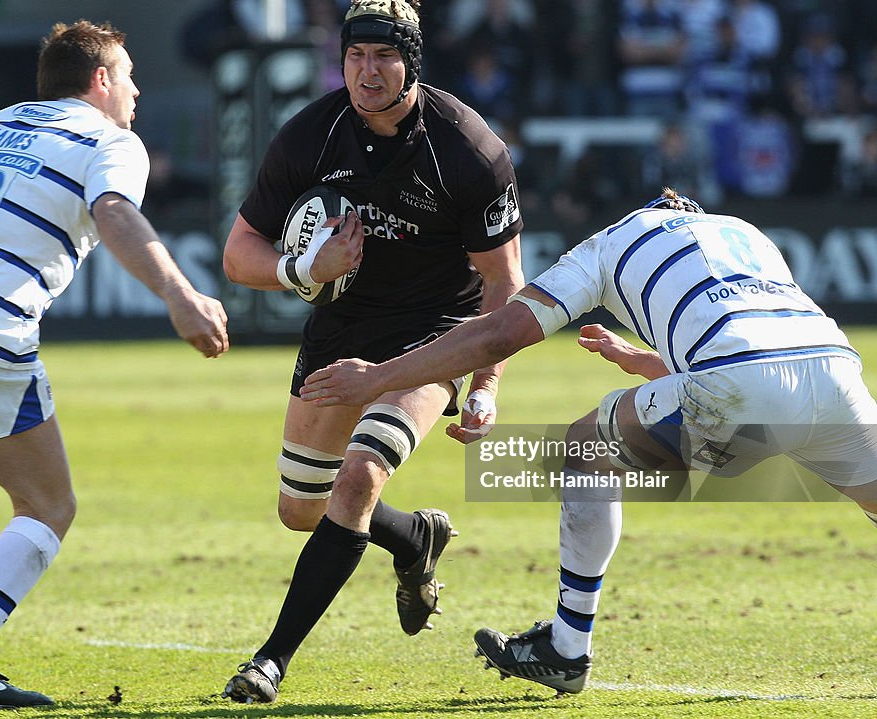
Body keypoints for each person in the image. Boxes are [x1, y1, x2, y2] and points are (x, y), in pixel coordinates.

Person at [302, 186, 877, 696]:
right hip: (836, 371)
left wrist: (377, 378)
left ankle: (567, 648)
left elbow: (503, 331)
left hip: (738, 379)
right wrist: (647, 363)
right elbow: (761, 350)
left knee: (585, 447)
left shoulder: (606, 245)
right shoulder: (743, 233)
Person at [0, 20, 229, 711]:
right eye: (131, 73)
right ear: (101, 80)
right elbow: (114, 212)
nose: (138, 90)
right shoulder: (110, 141)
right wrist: (180, 294)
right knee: (48, 505)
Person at [220, 0, 524, 703]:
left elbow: (504, 283)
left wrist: (485, 385)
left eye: (384, 55)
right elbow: (239, 255)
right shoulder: (310, 136)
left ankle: (269, 661)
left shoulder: (468, 149)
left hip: (433, 339)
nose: (367, 71)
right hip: (340, 333)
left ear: (411, 60)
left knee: (358, 481)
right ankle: (414, 537)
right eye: (355, 55)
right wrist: (305, 271)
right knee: (303, 509)